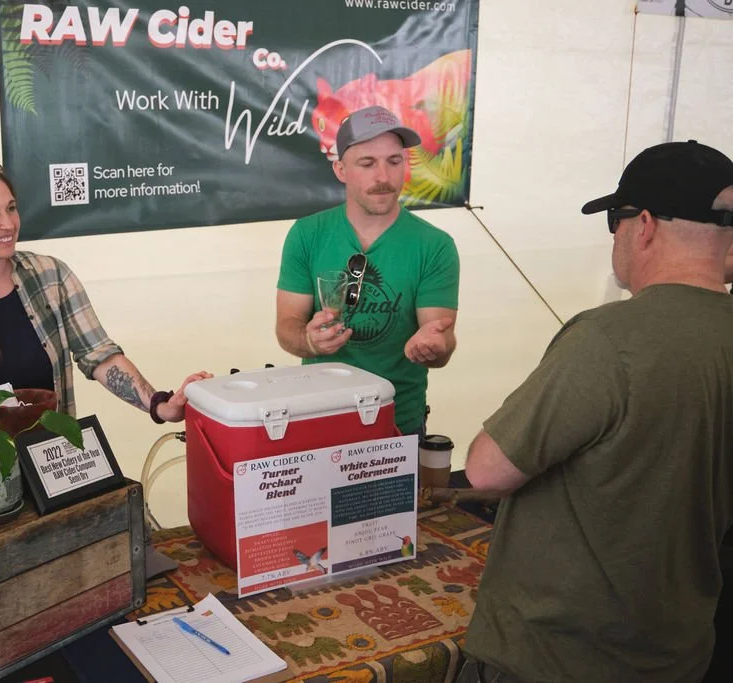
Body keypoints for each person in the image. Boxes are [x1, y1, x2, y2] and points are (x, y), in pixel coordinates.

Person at [460, 140, 733, 683]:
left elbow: (488, 469)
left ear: (644, 224)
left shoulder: (609, 339)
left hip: (562, 656)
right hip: (678, 650)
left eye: (615, 220)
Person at [0, 156, 211, 460]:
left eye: (11, 208)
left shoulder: (51, 276)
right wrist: (5, 460)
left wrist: (160, 405)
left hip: (51, 463)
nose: (8, 224)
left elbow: (100, 356)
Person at [276, 105, 460, 435]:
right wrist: (310, 341)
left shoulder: (435, 245)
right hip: (318, 415)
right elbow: (286, 326)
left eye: (394, 161)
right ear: (341, 170)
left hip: (397, 421)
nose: (383, 178)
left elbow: (440, 339)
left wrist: (433, 346)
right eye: (367, 163)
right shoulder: (307, 234)